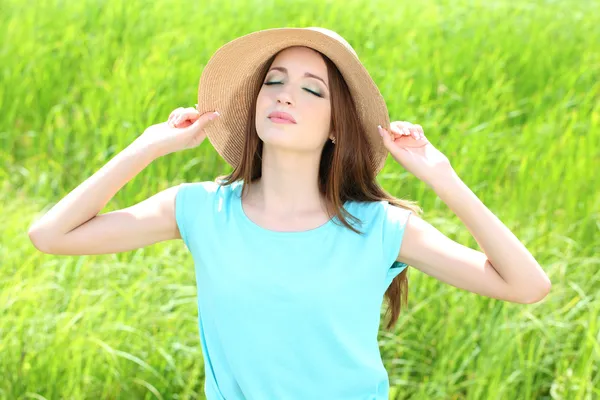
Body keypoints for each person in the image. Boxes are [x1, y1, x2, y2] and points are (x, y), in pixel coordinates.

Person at [28, 27, 551, 400]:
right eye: (274, 81)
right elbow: (51, 235)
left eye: (311, 88)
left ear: (334, 126)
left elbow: (527, 285)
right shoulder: (200, 210)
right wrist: (146, 147)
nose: (284, 95)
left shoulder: (378, 227)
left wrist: (444, 178)